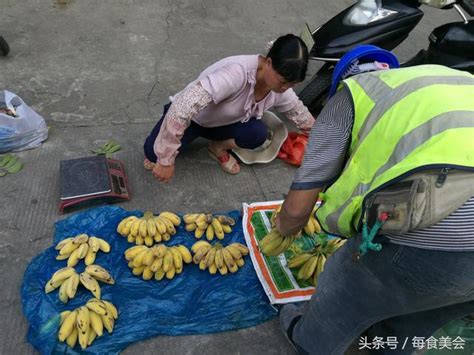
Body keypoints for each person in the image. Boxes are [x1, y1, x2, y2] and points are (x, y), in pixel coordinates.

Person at [274, 46, 474, 354]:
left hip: (442, 244)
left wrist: (285, 228)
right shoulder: (441, 78)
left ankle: (308, 341)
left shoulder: (350, 97)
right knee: (424, 313)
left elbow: (299, 205)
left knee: (342, 290)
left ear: (341, 82)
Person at [143, 34, 315, 183]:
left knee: (258, 133)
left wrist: (323, 139)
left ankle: (217, 147)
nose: (286, 88)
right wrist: (166, 160)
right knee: (153, 153)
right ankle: (168, 147)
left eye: (292, 84)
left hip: (224, 124)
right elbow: (182, 107)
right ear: (268, 63)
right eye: (284, 81)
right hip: (194, 120)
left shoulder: (279, 88)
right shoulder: (236, 73)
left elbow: (298, 112)